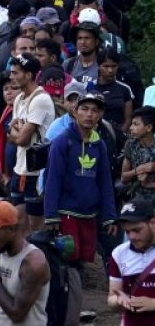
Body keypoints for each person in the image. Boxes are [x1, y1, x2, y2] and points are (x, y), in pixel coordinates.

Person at [42, 91, 117, 270]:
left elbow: (105, 181)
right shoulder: (62, 142)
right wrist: (51, 214)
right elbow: (52, 179)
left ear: (100, 115)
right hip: (66, 212)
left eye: (94, 110)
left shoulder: (99, 145)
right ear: (74, 112)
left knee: (82, 260)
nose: (89, 114)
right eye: (84, 109)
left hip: (89, 214)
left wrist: (109, 216)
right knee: (68, 260)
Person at [109, 199, 155, 326]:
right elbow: (111, 298)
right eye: (127, 232)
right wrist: (119, 300)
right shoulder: (120, 254)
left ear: (153, 222)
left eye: (137, 230)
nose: (131, 236)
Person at [8, 55, 57, 233]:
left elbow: (21, 139)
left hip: (35, 172)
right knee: (18, 221)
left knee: (34, 226)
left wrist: (16, 133)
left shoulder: (40, 100)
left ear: (28, 75)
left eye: (15, 73)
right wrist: (17, 133)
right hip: (20, 168)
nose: (11, 76)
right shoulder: (19, 99)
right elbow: (12, 134)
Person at [122, 107, 155, 200]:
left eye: (135, 124)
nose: (131, 128)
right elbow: (124, 178)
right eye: (132, 124)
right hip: (137, 198)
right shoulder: (131, 144)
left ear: (149, 127)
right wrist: (138, 170)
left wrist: (149, 184)